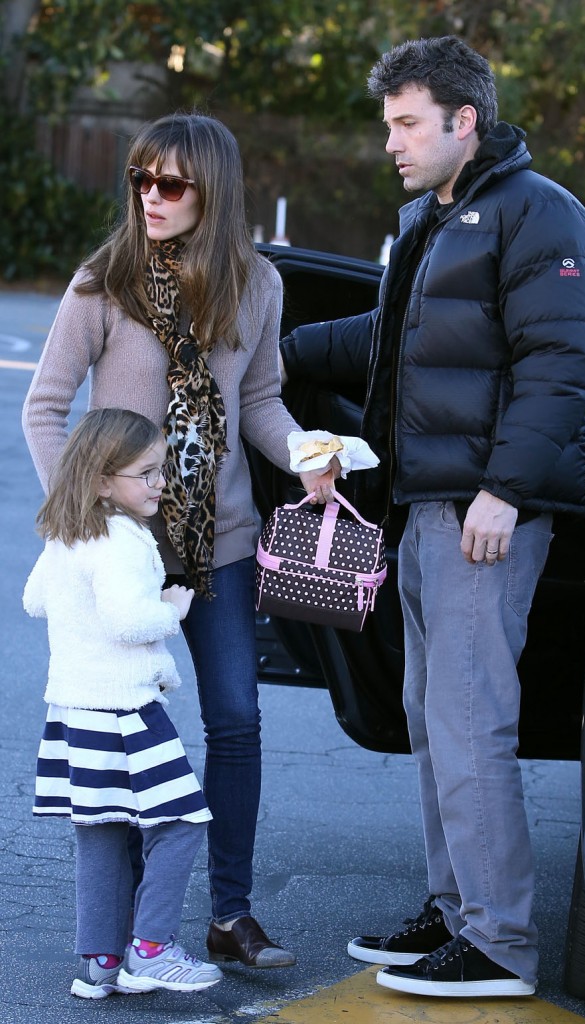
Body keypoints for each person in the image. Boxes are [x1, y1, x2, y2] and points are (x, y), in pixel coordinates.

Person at [279, 36, 585, 998]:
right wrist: (276, 350)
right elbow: (391, 341)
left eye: (406, 123)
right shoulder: (436, 217)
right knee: (434, 718)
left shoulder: (541, 216)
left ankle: (499, 941)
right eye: (389, 125)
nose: (392, 142)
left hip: (480, 515)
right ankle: (455, 904)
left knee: (470, 725)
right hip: (424, 510)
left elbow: (562, 367)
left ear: (466, 121)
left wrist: (503, 492)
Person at [22, 112, 337, 970]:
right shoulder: (104, 282)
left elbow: (261, 404)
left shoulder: (257, 285)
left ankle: (230, 915)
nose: (148, 197)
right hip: (121, 549)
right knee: (127, 728)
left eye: (169, 183)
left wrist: (307, 454)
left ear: (213, 189)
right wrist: (83, 513)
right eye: (139, 180)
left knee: (236, 720)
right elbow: (45, 407)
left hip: (221, 543)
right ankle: (126, 924)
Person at [23, 408, 223, 998]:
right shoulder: (121, 538)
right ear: (104, 480)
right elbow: (129, 619)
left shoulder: (70, 531)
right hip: (125, 711)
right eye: (147, 473)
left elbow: (36, 600)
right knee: (182, 820)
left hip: (75, 710)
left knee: (102, 831)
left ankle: (102, 963)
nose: (161, 483)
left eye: (160, 470)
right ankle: (152, 950)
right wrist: (172, 608)